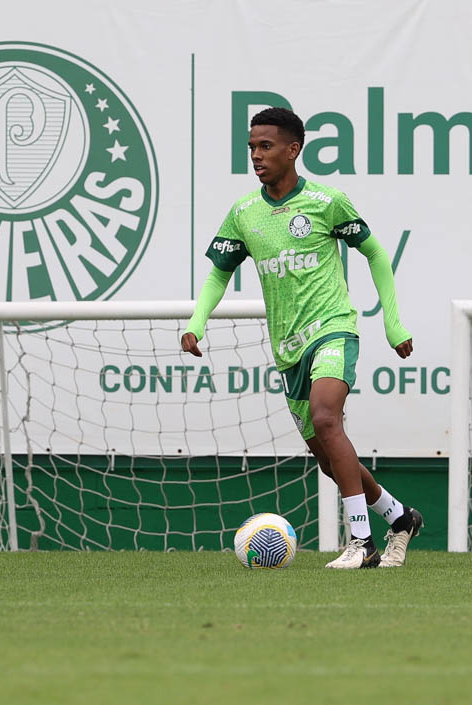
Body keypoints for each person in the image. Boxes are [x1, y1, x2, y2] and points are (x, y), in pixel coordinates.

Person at [181, 106, 422, 569]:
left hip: (333, 329)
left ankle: (361, 543)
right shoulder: (244, 213)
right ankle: (399, 517)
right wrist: (196, 323)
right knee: (329, 459)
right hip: (288, 349)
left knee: (327, 419)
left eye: (265, 146)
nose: (256, 155)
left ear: (293, 150)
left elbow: (375, 254)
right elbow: (218, 274)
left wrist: (393, 323)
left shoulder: (326, 201)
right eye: (251, 146)